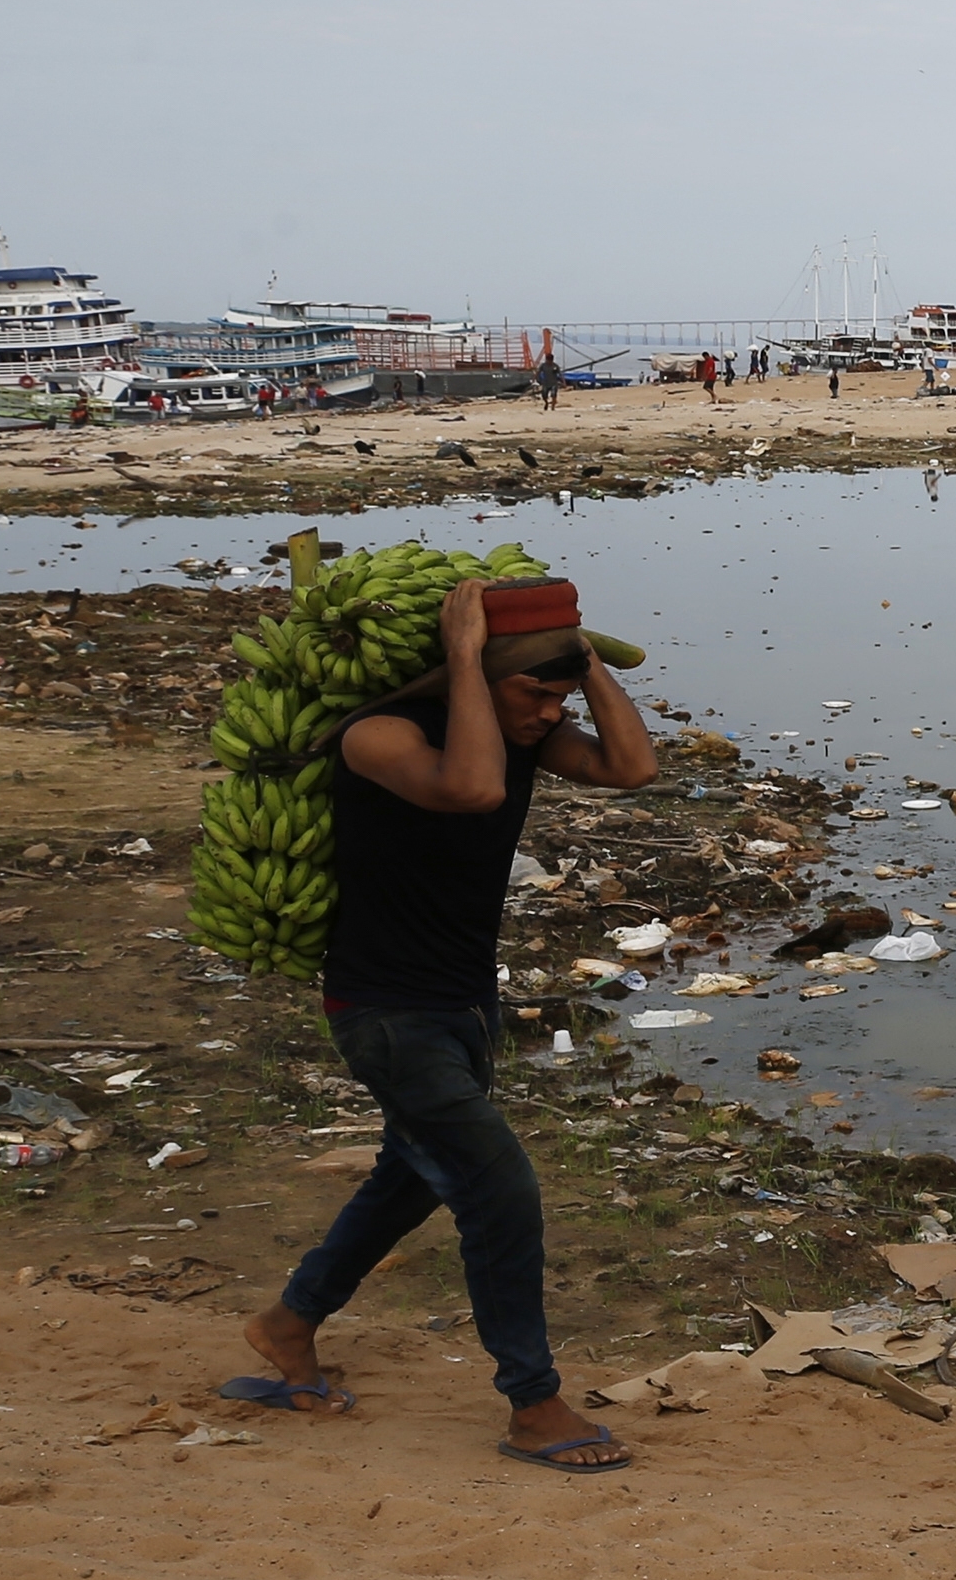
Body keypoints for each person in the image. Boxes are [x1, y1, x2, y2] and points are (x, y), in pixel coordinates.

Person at [229, 575, 663, 1470]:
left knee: (413, 1176)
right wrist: (467, 654)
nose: (547, 714)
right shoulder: (377, 737)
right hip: (386, 1011)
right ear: (474, 672)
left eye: (558, 699)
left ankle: (288, 1321)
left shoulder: (521, 740)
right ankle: (534, 1404)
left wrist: (586, 669)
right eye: (532, 693)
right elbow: (466, 789)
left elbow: (633, 768)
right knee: (498, 1188)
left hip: (464, 1005)